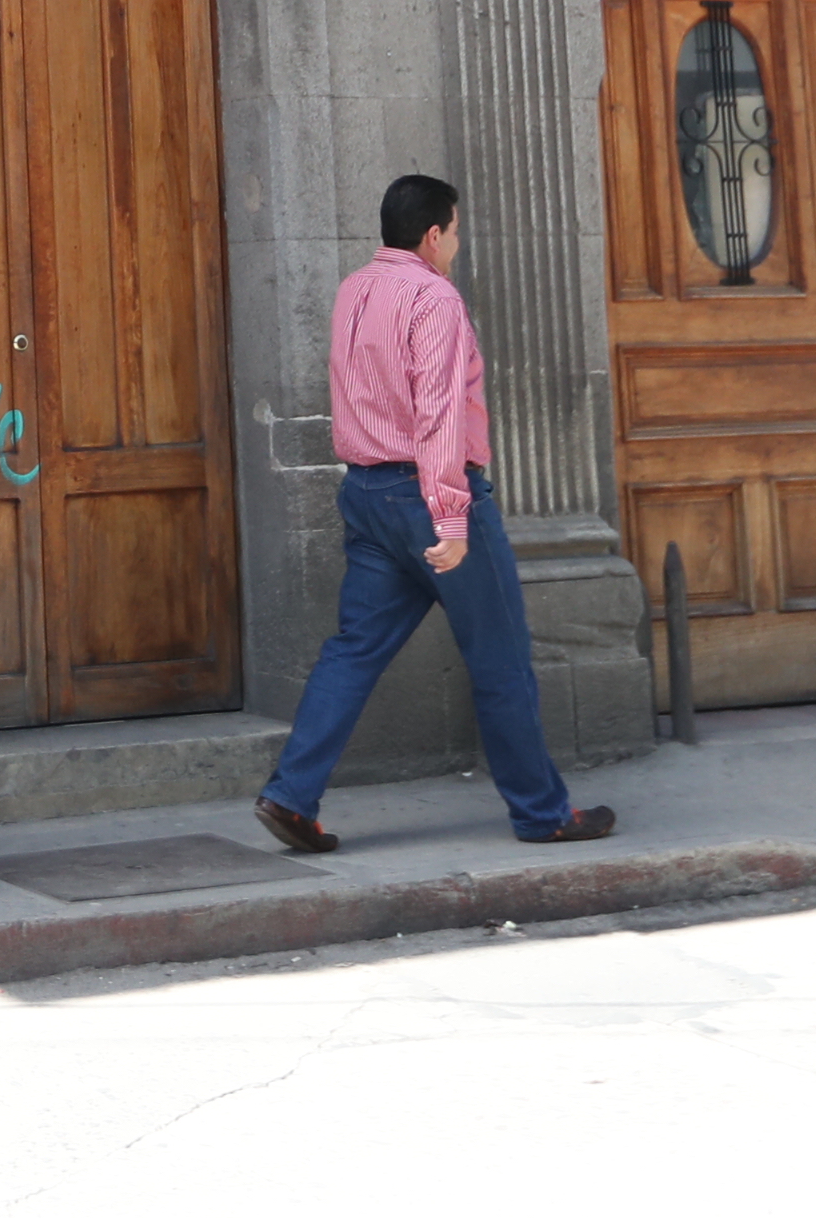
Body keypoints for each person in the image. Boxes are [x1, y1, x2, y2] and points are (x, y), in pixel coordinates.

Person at [253, 174, 617, 854]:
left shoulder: (355, 289)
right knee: (501, 658)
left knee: (353, 650)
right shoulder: (434, 298)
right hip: (430, 500)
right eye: (454, 232)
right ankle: (542, 813)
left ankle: (290, 795)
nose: (457, 244)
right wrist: (451, 522)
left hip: (366, 493)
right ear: (432, 235)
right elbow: (439, 416)